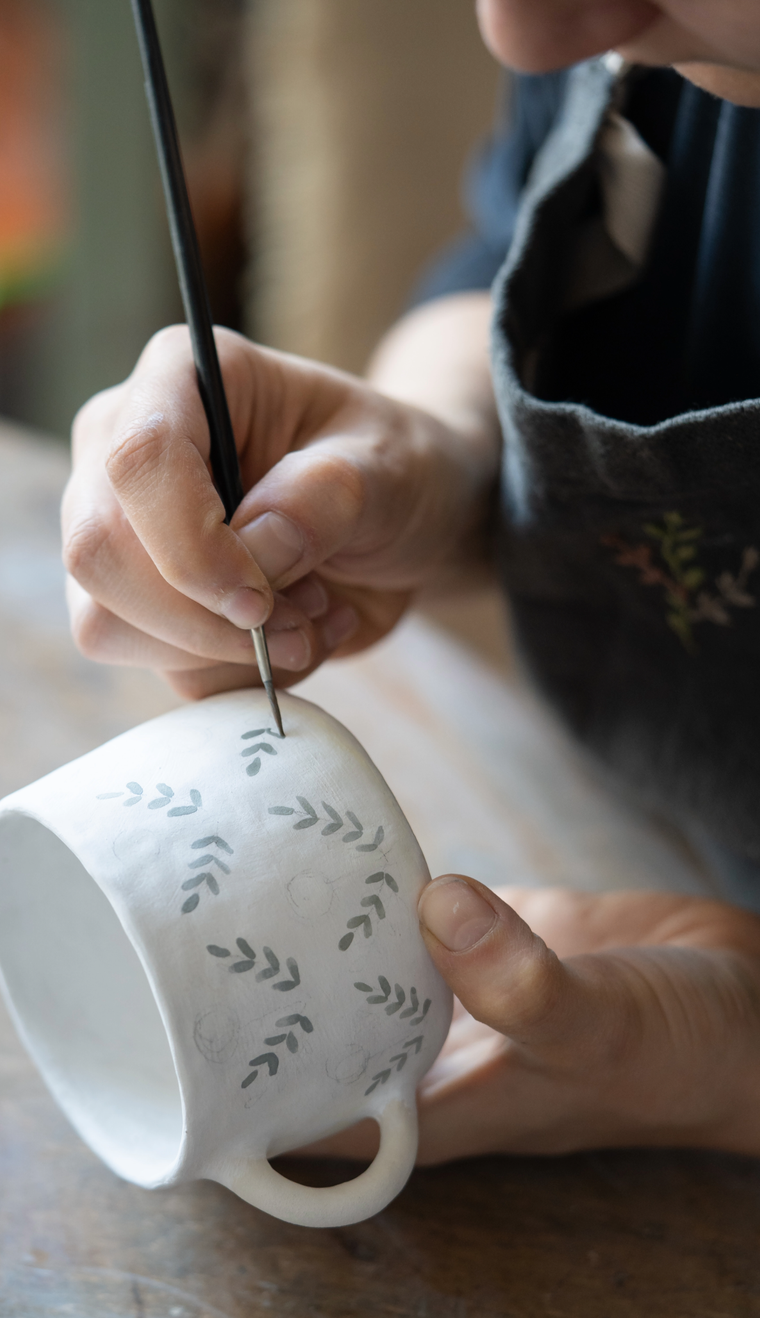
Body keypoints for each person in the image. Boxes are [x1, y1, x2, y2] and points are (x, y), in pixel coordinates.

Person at [61, 0, 760, 1164]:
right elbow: (515, 258)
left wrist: (726, 1060)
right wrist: (426, 452)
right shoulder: (645, 39)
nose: (528, 34)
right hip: (622, 830)